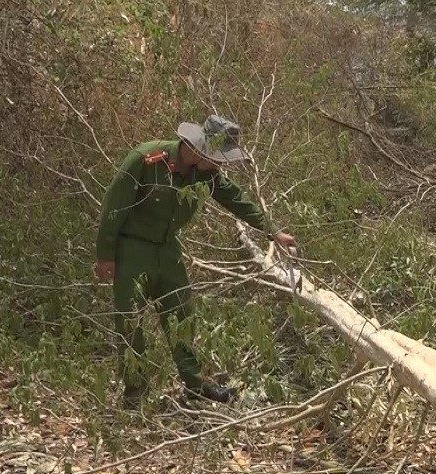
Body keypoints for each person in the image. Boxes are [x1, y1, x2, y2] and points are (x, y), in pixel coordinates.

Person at [94, 115, 297, 406]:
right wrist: (105, 255)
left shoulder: (206, 175)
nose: (222, 165)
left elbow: (235, 199)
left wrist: (273, 231)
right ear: (200, 149)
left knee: (181, 316)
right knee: (130, 323)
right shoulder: (148, 158)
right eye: (219, 158)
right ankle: (135, 395)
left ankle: (195, 384)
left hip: (168, 251)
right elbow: (113, 206)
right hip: (132, 250)